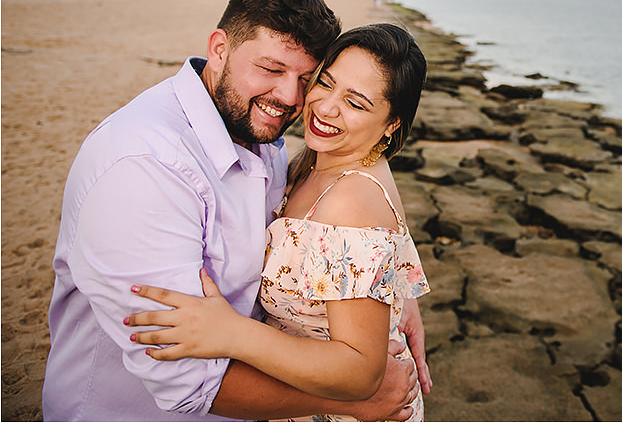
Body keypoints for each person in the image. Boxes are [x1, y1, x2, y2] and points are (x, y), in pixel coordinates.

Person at [43, 0, 423, 421]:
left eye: (307, 77)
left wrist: (389, 293)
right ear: (219, 49)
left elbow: (364, 175)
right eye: (271, 69)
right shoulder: (145, 169)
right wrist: (357, 399)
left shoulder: (267, 138)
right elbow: (186, 380)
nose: (291, 98)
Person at [123, 24, 430, 421]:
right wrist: (398, 299)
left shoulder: (350, 202)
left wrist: (232, 332)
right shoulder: (321, 163)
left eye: (356, 103)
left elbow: (360, 374)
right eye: (326, 82)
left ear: (391, 125)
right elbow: (384, 249)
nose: (326, 107)